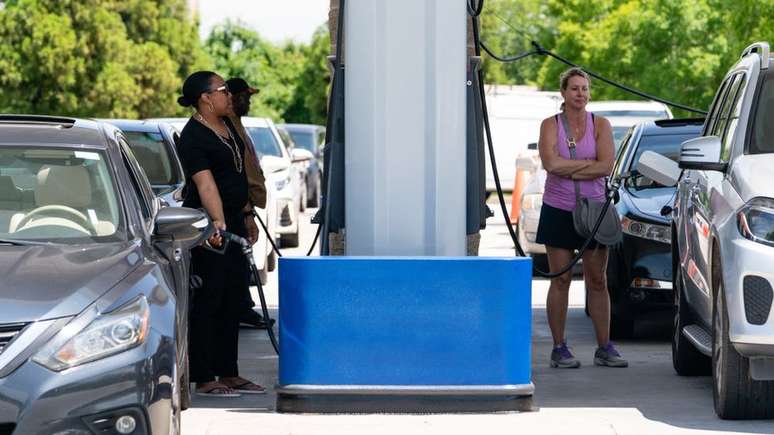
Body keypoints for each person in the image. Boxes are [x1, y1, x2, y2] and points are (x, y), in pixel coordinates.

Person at [177, 71, 266, 396]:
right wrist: (217, 223)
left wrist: (245, 214)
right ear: (205, 98)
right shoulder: (193, 136)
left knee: (233, 298)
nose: (230, 96)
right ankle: (204, 375)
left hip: (234, 220)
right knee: (209, 300)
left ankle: (229, 371)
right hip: (208, 226)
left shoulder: (227, 125)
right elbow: (205, 183)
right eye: (224, 90)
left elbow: (236, 174)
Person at [535, 67, 627, 369]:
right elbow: (550, 163)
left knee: (597, 280)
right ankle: (559, 348)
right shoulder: (550, 125)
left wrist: (570, 166)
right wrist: (587, 164)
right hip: (558, 208)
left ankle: (605, 347)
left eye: (584, 88)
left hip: (594, 209)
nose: (580, 94)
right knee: (560, 279)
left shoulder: (600, 124)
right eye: (574, 88)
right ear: (563, 93)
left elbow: (605, 167)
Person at [226, 77, 275, 330]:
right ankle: (240, 309)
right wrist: (246, 212)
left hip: (244, 206)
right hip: (235, 209)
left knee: (241, 261)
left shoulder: (237, 125)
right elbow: (238, 172)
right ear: (231, 97)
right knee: (235, 263)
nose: (249, 101)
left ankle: (243, 307)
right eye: (245, 96)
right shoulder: (226, 127)